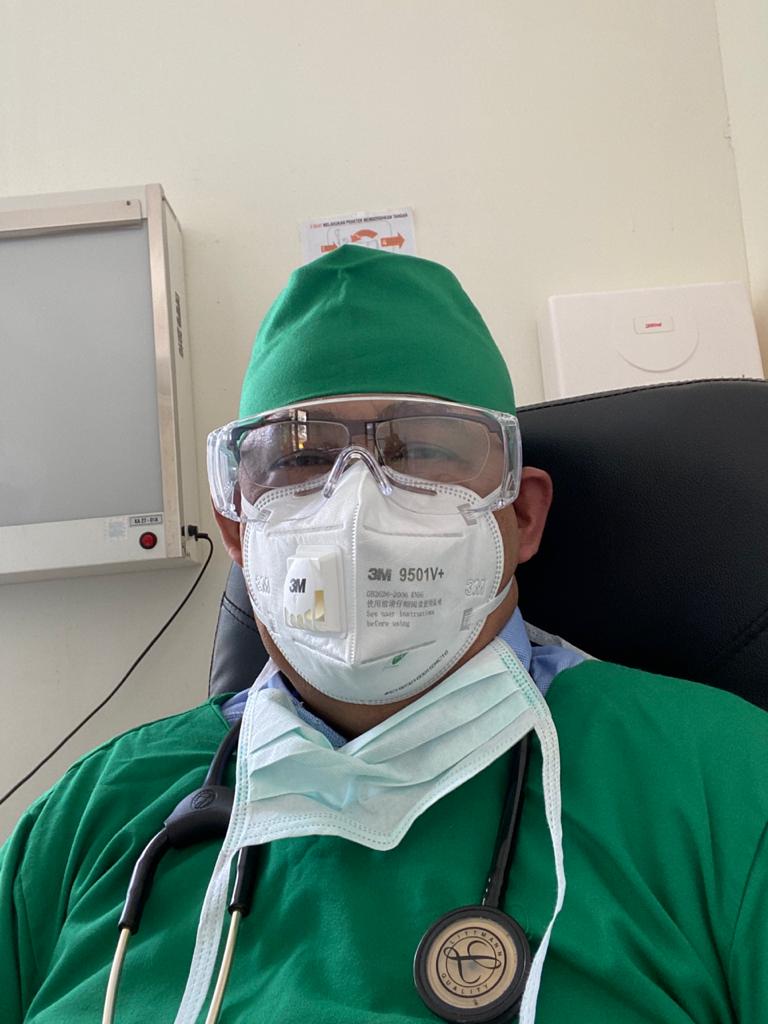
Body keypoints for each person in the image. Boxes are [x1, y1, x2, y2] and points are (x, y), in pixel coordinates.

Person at [1, 245, 766, 1024]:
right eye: (303, 459)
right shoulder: (93, 811)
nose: (356, 506)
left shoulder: (724, 782)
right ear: (238, 533)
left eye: (422, 451)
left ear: (523, 516)